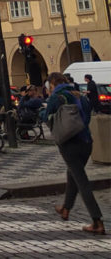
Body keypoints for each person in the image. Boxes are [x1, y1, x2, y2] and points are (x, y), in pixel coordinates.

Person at [40, 72, 104, 235]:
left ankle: (97, 221)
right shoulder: (79, 95)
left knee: (81, 181)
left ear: (52, 84)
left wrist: (41, 112)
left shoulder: (57, 97)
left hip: (70, 144)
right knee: (73, 174)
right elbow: (87, 117)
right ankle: (65, 209)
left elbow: (46, 117)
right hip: (86, 142)